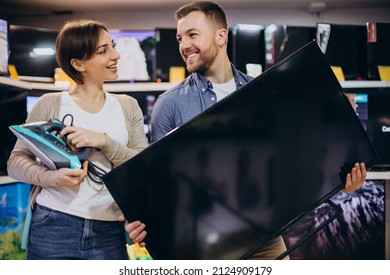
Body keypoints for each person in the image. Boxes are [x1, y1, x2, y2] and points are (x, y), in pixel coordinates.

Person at [146, 1, 367, 259]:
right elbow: (157, 183)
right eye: (179, 38)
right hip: (200, 245)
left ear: (221, 36)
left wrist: (339, 182)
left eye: (192, 35)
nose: (184, 46)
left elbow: (289, 164)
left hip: (266, 241)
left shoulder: (264, 93)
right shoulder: (169, 104)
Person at [7, 19, 147, 259]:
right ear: (78, 63)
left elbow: (142, 166)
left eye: (112, 46)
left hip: (109, 229)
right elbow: (15, 162)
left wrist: (104, 140)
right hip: (53, 224)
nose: (116, 55)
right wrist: (53, 178)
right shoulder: (50, 103)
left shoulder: (127, 106)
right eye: (104, 51)